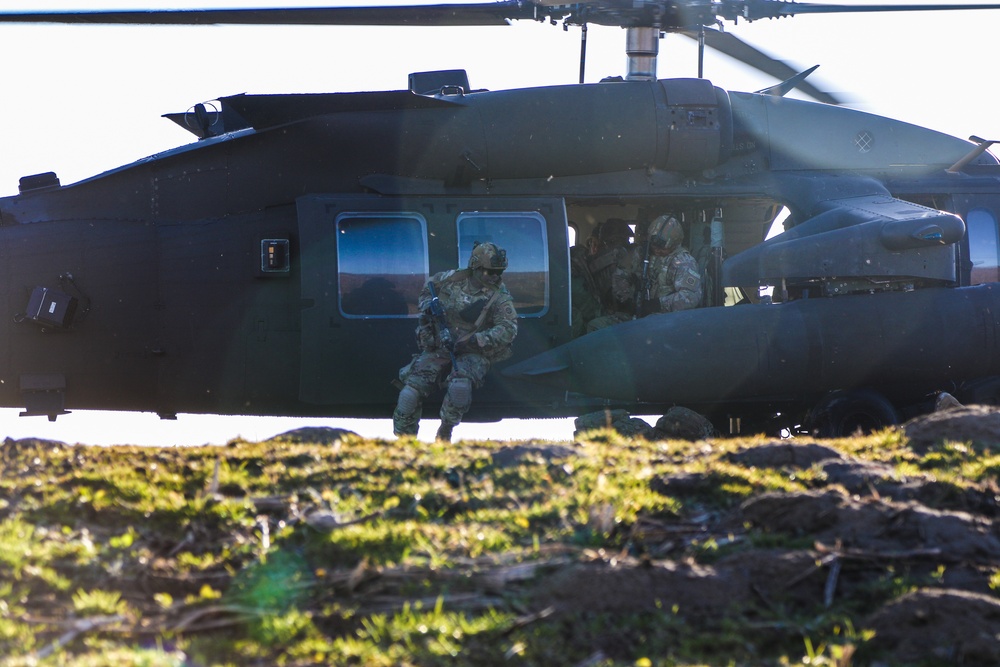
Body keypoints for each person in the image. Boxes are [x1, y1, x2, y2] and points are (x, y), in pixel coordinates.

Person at [392, 241, 518, 442]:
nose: (495, 276)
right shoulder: (450, 279)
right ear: (475, 268)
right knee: (409, 394)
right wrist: (428, 306)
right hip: (439, 347)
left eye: (499, 272)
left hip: (472, 352)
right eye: (489, 272)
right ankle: (404, 444)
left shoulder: (499, 297)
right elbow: (428, 288)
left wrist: (476, 340)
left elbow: (509, 329)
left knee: (459, 388)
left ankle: (445, 431)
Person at [587, 214, 701, 331]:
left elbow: (691, 297)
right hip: (636, 315)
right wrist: (625, 299)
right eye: (654, 246)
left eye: (662, 248)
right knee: (596, 325)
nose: (657, 250)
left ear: (674, 244)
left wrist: (657, 304)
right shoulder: (640, 253)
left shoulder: (683, 262)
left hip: (666, 320)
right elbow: (621, 275)